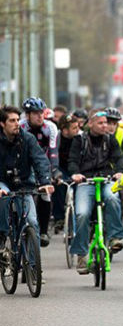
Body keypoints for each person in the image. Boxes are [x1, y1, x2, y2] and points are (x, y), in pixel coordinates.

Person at [68, 110, 123, 274]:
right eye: (100, 123)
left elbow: (119, 158)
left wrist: (120, 171)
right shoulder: (79, 140)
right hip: (86, 182)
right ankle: (81, 255)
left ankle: (115, 236)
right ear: (90, 124)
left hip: (106, 180)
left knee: (113, 198)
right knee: (82, 214)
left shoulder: (110, 139)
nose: (105, 126)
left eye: (106, 122)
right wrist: (75, 174)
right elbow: (72, 161)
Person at [0, 106, 54, 251]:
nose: (17, 123)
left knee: (31, 221)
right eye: (12, 120)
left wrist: (45, 182)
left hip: (23, 183)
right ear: (2, 124)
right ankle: (2, 237)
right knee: (3, 199)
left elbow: (40, 160)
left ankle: (33, 266)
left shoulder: (27, 139)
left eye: (18, 119)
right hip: (2, 183)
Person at [20, 97, 60, 247]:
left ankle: (43, 231)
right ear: (27, 115)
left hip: (43, 163)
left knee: (45, 194)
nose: (40, 116)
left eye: (41, 112)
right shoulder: (20, 126)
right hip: (26, 163)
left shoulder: (50, 127)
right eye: (35, 113)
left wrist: (53, 172)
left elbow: (53, 152)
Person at [52, 114, 80, 233]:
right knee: (58, 185)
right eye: (74, 128)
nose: (77, 130)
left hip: (77, 168)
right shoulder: (56, 138)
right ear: (64, 130)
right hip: (61, 168)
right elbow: (52, 157)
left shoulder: (80, 138)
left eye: (78, 127)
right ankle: (59, 218)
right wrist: (55, 173)